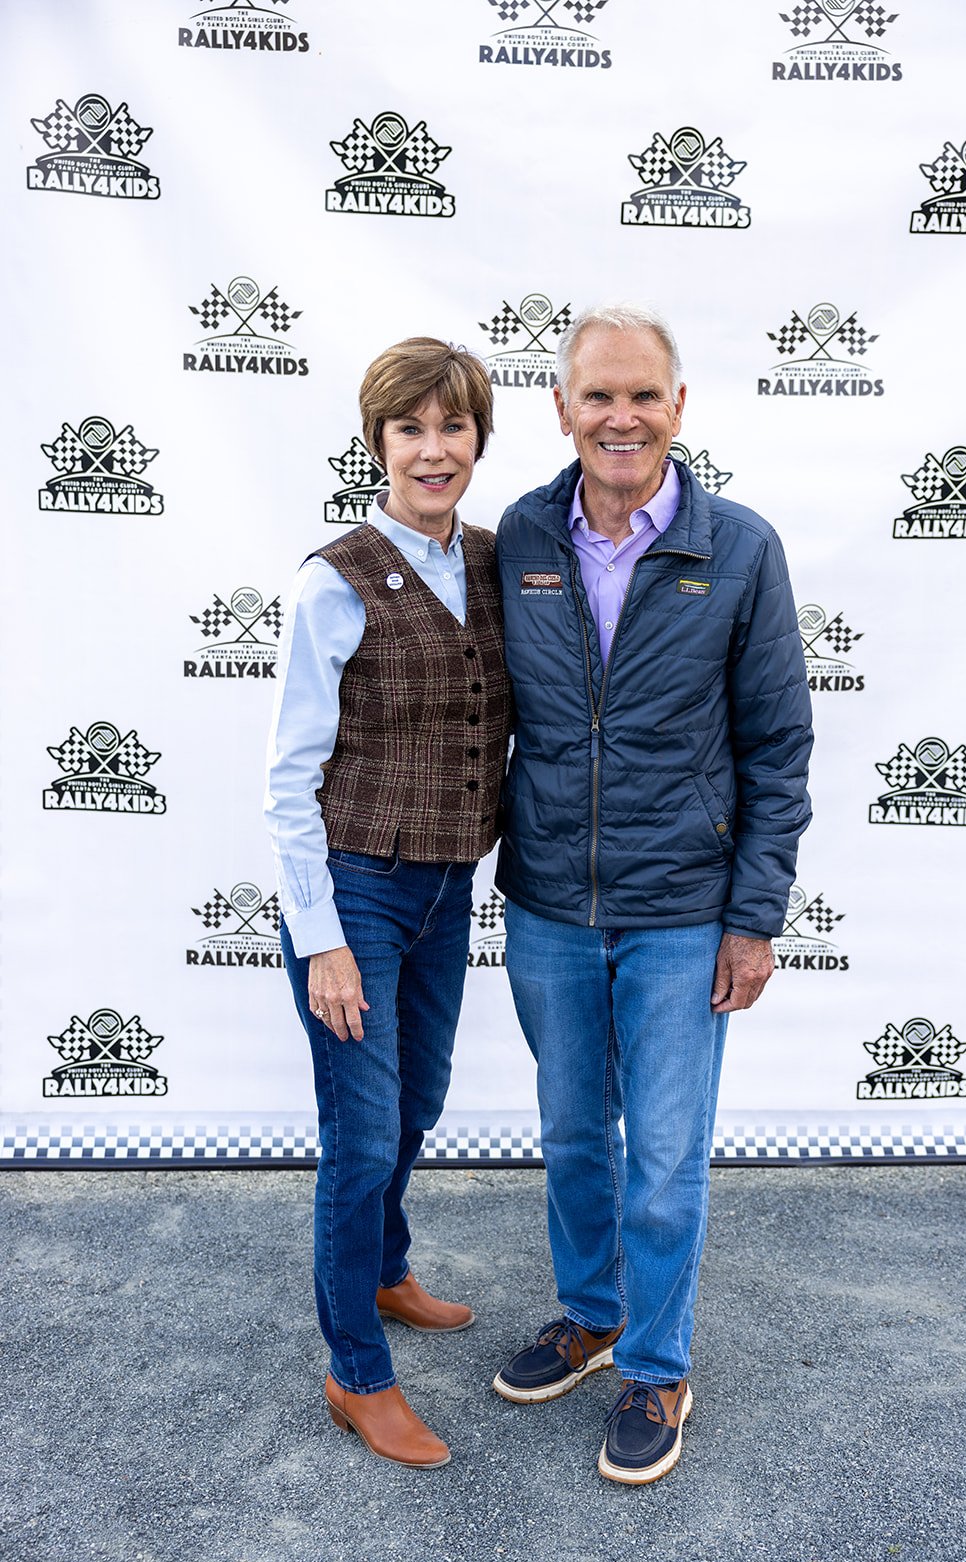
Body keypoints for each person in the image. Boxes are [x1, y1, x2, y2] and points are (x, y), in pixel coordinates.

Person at [491, 304, 813, 1484]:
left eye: (641, 395)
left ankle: (660, 1363)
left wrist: (753, 914)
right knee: (577, 1133)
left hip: (684, 909)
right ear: (562, 408)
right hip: (547, 905)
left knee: (665, 1154)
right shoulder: (520, 533)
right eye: (596, 396)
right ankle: (591, 1314)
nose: (618, 417)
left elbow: (777, 747)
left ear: (679, 407)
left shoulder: (741, 550)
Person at [265, 337, 510, 1469]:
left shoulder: (502, 563)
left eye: (451, 427)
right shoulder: (336, 577)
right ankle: (355, 1371)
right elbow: (289, 775)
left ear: (476, 441)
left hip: (446, 884)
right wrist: (319, 940)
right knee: (360, 1138)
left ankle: (383, 1265)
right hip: (355, 889)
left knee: (417, 1104)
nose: (432, 449)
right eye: (409, 429)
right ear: (377, 444)